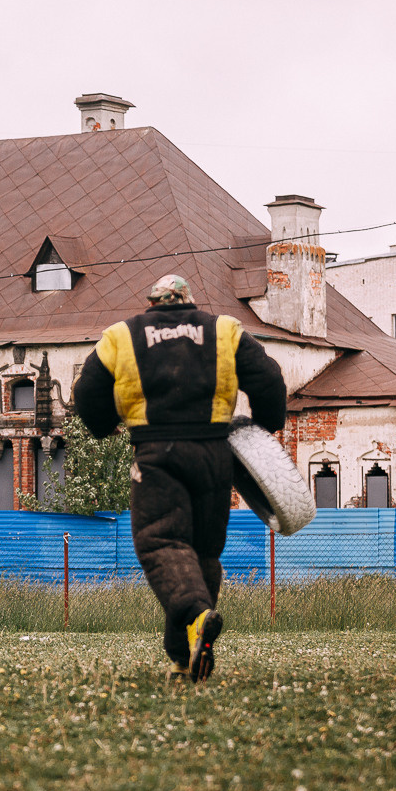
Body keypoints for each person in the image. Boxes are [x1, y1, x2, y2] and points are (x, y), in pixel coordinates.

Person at [72, 274, 286, 682]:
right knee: (201, 554)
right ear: (189, 302)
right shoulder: (223, 330)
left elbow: (87, 391)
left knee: (160, 541)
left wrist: (103, 425)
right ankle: (183, 656)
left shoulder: (122, 335)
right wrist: (265, 428)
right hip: (214, 455)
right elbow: (268, 378)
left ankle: (198, 614)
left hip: (157, 452)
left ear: (152, 304)